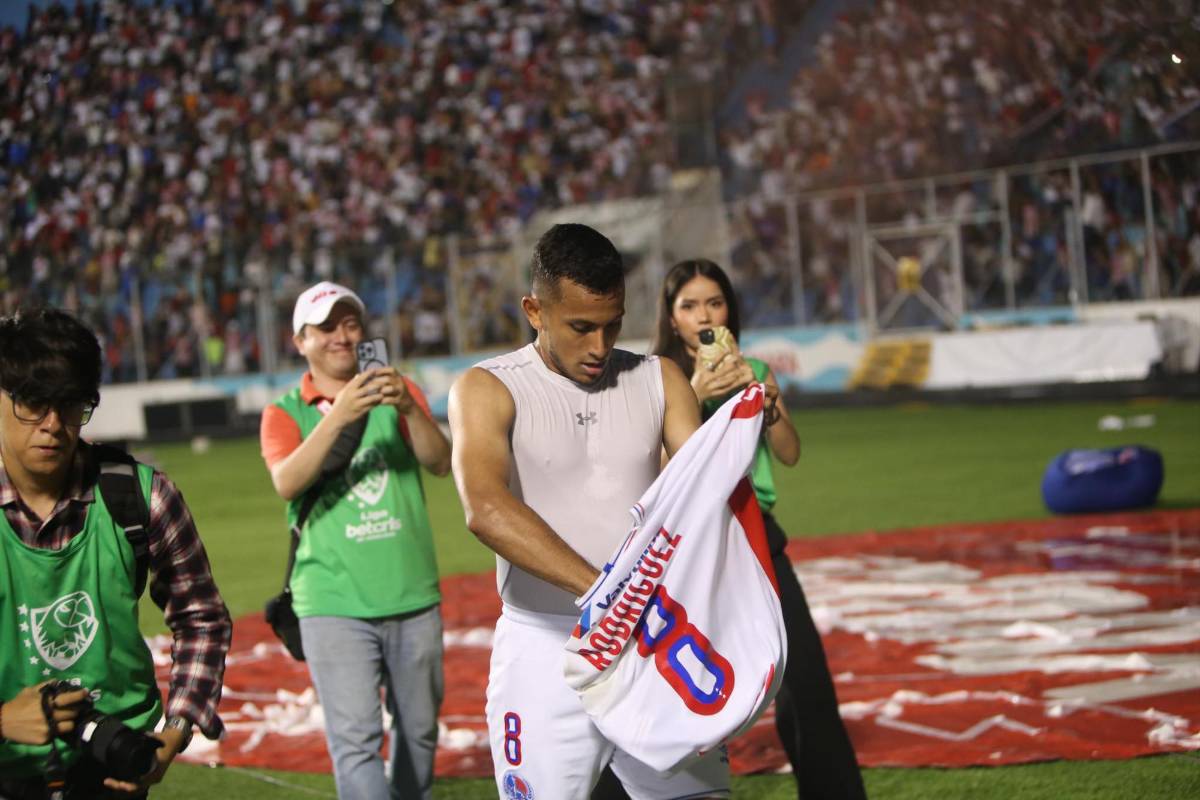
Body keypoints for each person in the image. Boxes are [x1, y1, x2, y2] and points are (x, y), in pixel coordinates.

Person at [447, 224, 729, 799]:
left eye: (613, 324)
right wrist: (607, 592)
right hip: (544, 648)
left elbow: (706, 491)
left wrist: (744, 426)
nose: (600, 346)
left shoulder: (660, 378)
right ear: (535, 310)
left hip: (652, 646)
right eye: (580, 327)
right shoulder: (486, 388)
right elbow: (485, 507)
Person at [650, 259, 866, 799]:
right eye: (690, 305)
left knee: (806, 681)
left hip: (756, 535)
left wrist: (769, 408)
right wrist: (693, 393)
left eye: (715, 302)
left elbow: (790, 454)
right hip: (690, 545)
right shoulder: (656, 378)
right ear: (672, 319)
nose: (705, 314)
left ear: (730, 311)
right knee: (674, 687)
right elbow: (649, 473)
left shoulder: (757, 369)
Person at [0, 307, 232, 799]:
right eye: (33, 402)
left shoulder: (141, 496)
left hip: (114, 764)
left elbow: (201, 619)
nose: (53, 424)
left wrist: (176, 729)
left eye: (71, 404)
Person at [259, 282, 451, 800]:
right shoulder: (284, 411)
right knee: (356, 742)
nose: (342, 337)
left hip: (412, 592)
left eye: (350, 324)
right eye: (326, 327)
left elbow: (439, 462)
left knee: (419, 734)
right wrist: (341, 413)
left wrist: (410, 410)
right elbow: (287, 481)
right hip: (331, 599)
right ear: (300, 340)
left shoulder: (399, 391)